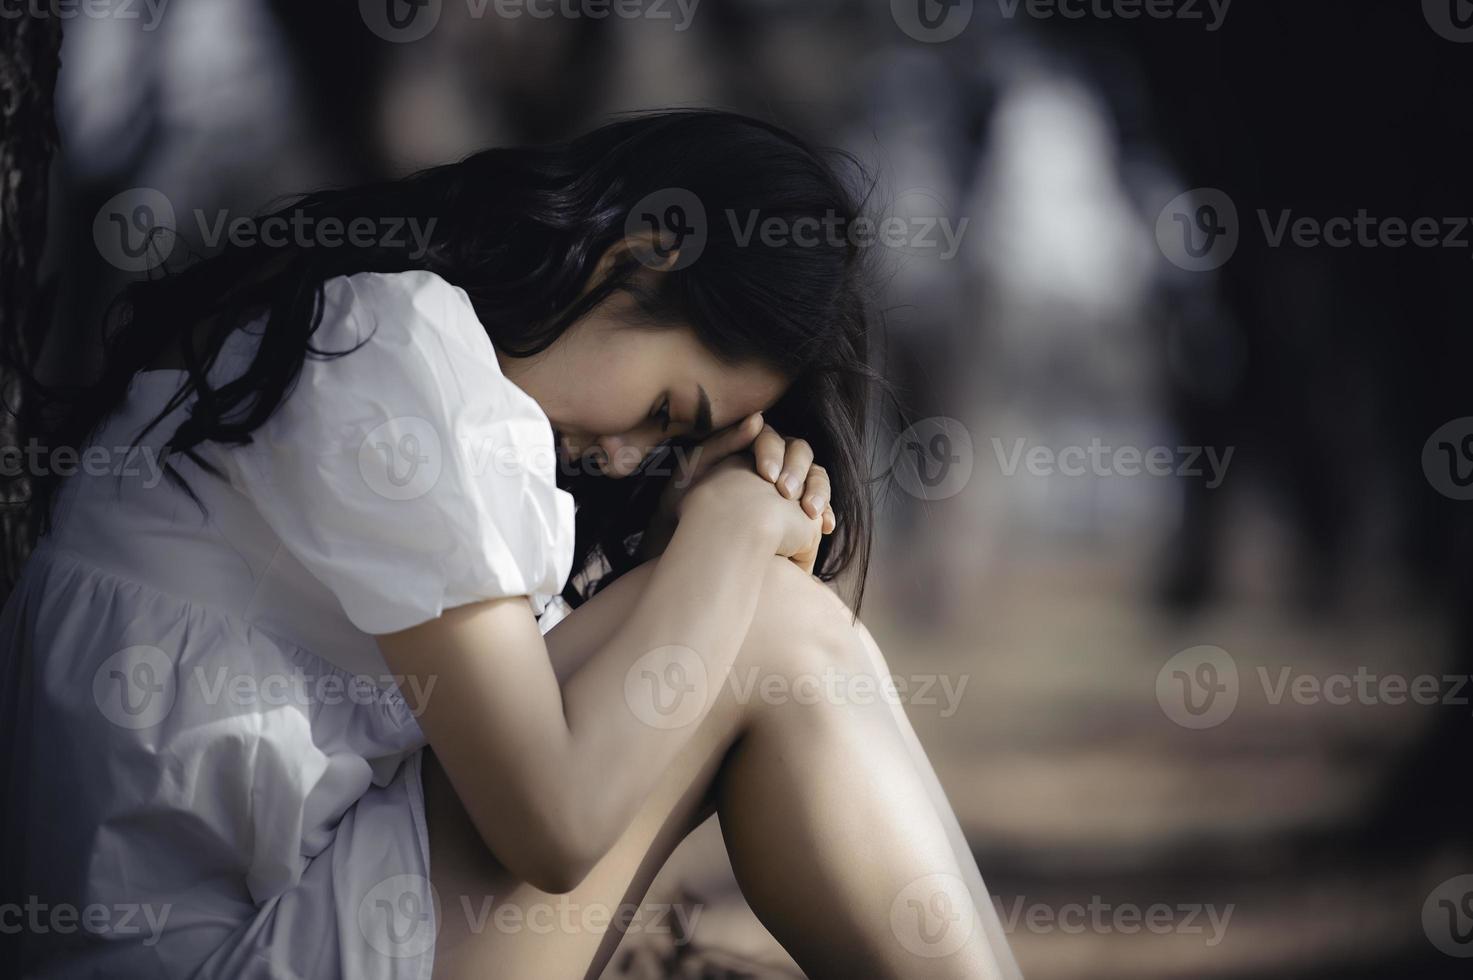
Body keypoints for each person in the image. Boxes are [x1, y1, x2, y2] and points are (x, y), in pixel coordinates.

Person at [0, 109, 1021, 979]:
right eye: (670, 410)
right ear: (644, 249)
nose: (631, 461)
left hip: (261, 932)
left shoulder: (376, 344)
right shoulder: (394, 348)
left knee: (772, 628)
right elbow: (554, 822)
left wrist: (688, 561)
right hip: (232, 955)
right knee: (785, 630)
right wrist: (730, 526)